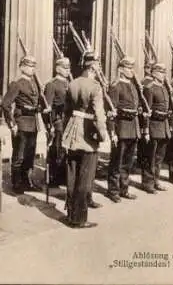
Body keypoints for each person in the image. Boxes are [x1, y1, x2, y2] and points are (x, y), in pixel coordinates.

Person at [61, 51, 107, 228]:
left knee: (72, 173)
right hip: (87, 133)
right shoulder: (95, 86)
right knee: (85, 177)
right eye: (98, 65)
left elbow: (67, 110)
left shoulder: (72, 83)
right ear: (93, 66)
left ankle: (70, 212)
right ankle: (79, 219)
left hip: (72, 131)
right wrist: (103, 134)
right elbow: (99, 115)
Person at [1, 55, 48, 194]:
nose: (31, 69)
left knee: (29, 155)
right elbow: (5, 104)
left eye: (33, 66)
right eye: (28, 66)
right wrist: (12, 123)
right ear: (22, 67)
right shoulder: (17, 83)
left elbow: (37, 101)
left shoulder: (35, 84)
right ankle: (16, 183)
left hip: (33, 122)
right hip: (21, 122)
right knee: (19, 155)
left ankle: (27, 181)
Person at [106, 57, 145, 202]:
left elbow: (137, 105)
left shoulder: (134, 86)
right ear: (121, 69)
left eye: (132, 68)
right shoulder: (116, 86)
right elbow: (111, 111)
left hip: (132, 127)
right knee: (117, 161)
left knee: (127, 162)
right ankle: (113, 190)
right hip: (121, 128)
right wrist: (112, 132)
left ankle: (124, 188)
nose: (131, 71)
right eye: (128, 68)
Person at [140, 63, 171, 194]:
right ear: (153, 73)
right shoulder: (150, 88)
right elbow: (147, 110)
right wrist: (146, 129)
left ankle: (156, 180)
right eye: (160, 72)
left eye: (164, 72)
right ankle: (148, 183)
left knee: (159, 157)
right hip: (153, 125)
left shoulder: (164, 88)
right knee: (150, 157)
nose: (163, 74)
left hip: (163, 126)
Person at [44, 57, 72, 188]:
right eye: (65, 68)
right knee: (56, 149)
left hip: (68, 121)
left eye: (68, 68)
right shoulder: (52, 84)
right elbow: (47, 107)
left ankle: (63, 176)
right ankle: (52, 177)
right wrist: (49, 125)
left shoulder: (69, 83)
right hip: (57, 120)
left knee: (66, 149)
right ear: (57, 69)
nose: (68, 70)